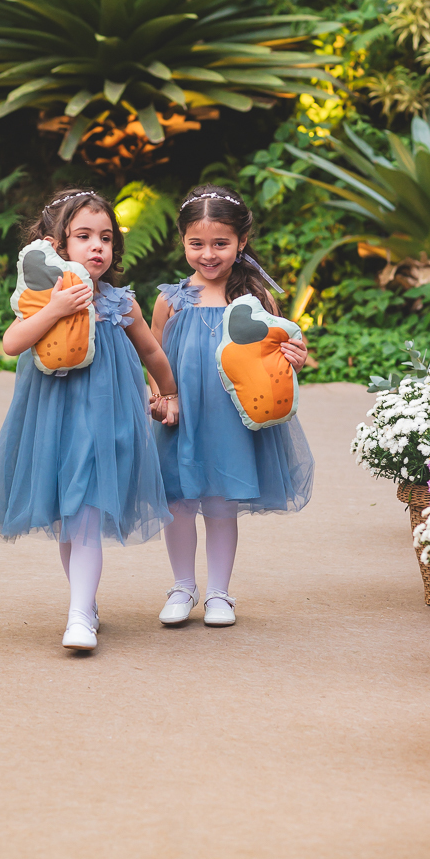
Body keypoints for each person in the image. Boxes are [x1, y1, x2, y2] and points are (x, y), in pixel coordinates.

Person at [0, 188, 179, 652]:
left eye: (106, 237)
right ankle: (84, 604)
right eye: (84, 236)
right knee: (71, 517)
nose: (97, 247)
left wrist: (168, 392)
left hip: (106, 422)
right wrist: (56, 308)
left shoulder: (119, 302)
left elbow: (151, 350)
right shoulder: (41, 298)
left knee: (87, 511)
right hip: (54, 423)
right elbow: (12, 343)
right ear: (56, 245)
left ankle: (78, 617)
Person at [150, 184, 314, 629]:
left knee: (221, 504)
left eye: (220, 243)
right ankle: (183, 585)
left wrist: (294, 359)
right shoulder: (171, 299)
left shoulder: (255, 303)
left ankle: (220, 592)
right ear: (182, 241)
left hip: (230, 419)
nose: (208, 254)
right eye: (196, 243)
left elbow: (282, 358)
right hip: (182, 420)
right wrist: (161, 397)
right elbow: (155, 355)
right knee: (180, 503)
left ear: (241, 242)